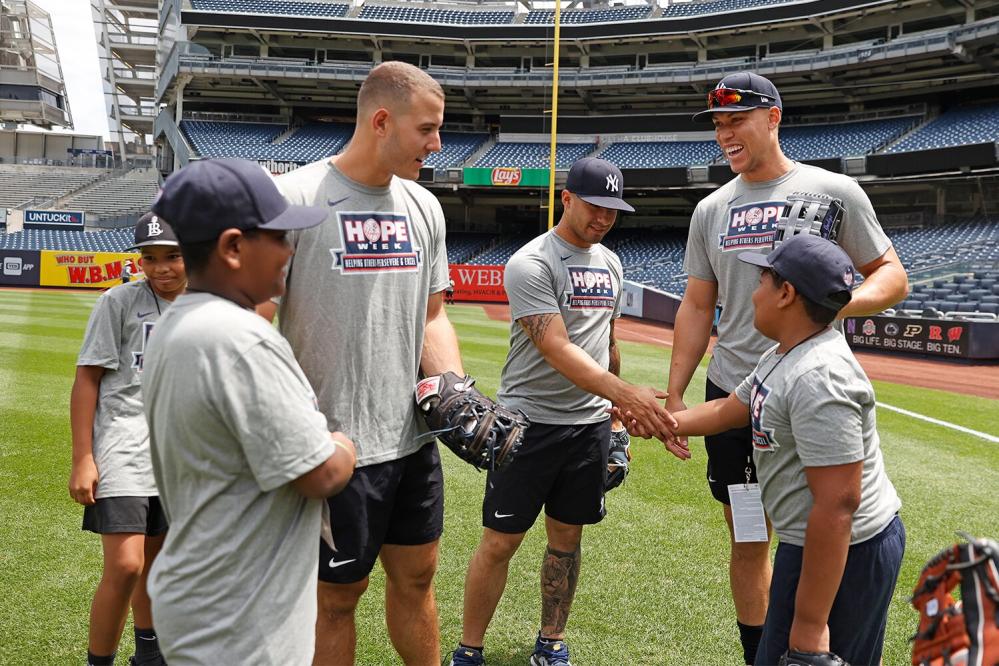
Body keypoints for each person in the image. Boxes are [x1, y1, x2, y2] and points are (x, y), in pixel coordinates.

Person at [665, 71, 909, 664]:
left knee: (825, 516)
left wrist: (830, 302)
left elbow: (892, 276)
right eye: (718, 124)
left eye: (737, 120)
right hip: (738, 393)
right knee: (750, 536)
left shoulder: (833, 192)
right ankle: (763, 654)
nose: (725, 134)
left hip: (804, 389)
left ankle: (805, 637)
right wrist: (673, 399)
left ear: (773, 118)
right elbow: (699, 305)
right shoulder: (711, 209)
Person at [256, 61, 464, 665]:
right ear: (381, 122)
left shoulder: (425, 207)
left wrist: (451, 388)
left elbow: (432, 317)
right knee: (338, 598)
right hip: (330, 446)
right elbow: (254, 327)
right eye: (426, 129)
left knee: (419, 578)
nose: (437, 143)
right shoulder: (294, 199)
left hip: (410, 440)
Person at [448, 158, 685, 666]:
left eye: (613, 211)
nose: (603, 218)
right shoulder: (532, 262)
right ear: (567, 199)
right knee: (499, 541)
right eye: (595, 207)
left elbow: (608, 343)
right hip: (528, 425)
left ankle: (550, 641)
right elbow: (555, 348)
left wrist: (615, 418)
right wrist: (626, 395)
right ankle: (470, 648)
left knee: (567, 540)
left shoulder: (612, 263)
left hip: (588, 429)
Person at [140, 158, 357, 665]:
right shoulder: (240, 337)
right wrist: (346, 447)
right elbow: (319, 472)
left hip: (207, 597)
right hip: (240, 618)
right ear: (233, 247)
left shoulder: (181, 322)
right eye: (278, 236)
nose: (288, 250)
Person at [69, 212, 186, 666]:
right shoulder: (117, 302)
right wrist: (83, 457)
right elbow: (87, 379)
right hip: (123, 444)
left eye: (172, 256)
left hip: (180, 454)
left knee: (156, 564)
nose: (160, 268)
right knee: (125, 565)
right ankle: (99, 661)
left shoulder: (209, 305)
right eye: (149, 258)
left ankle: (149, 656)